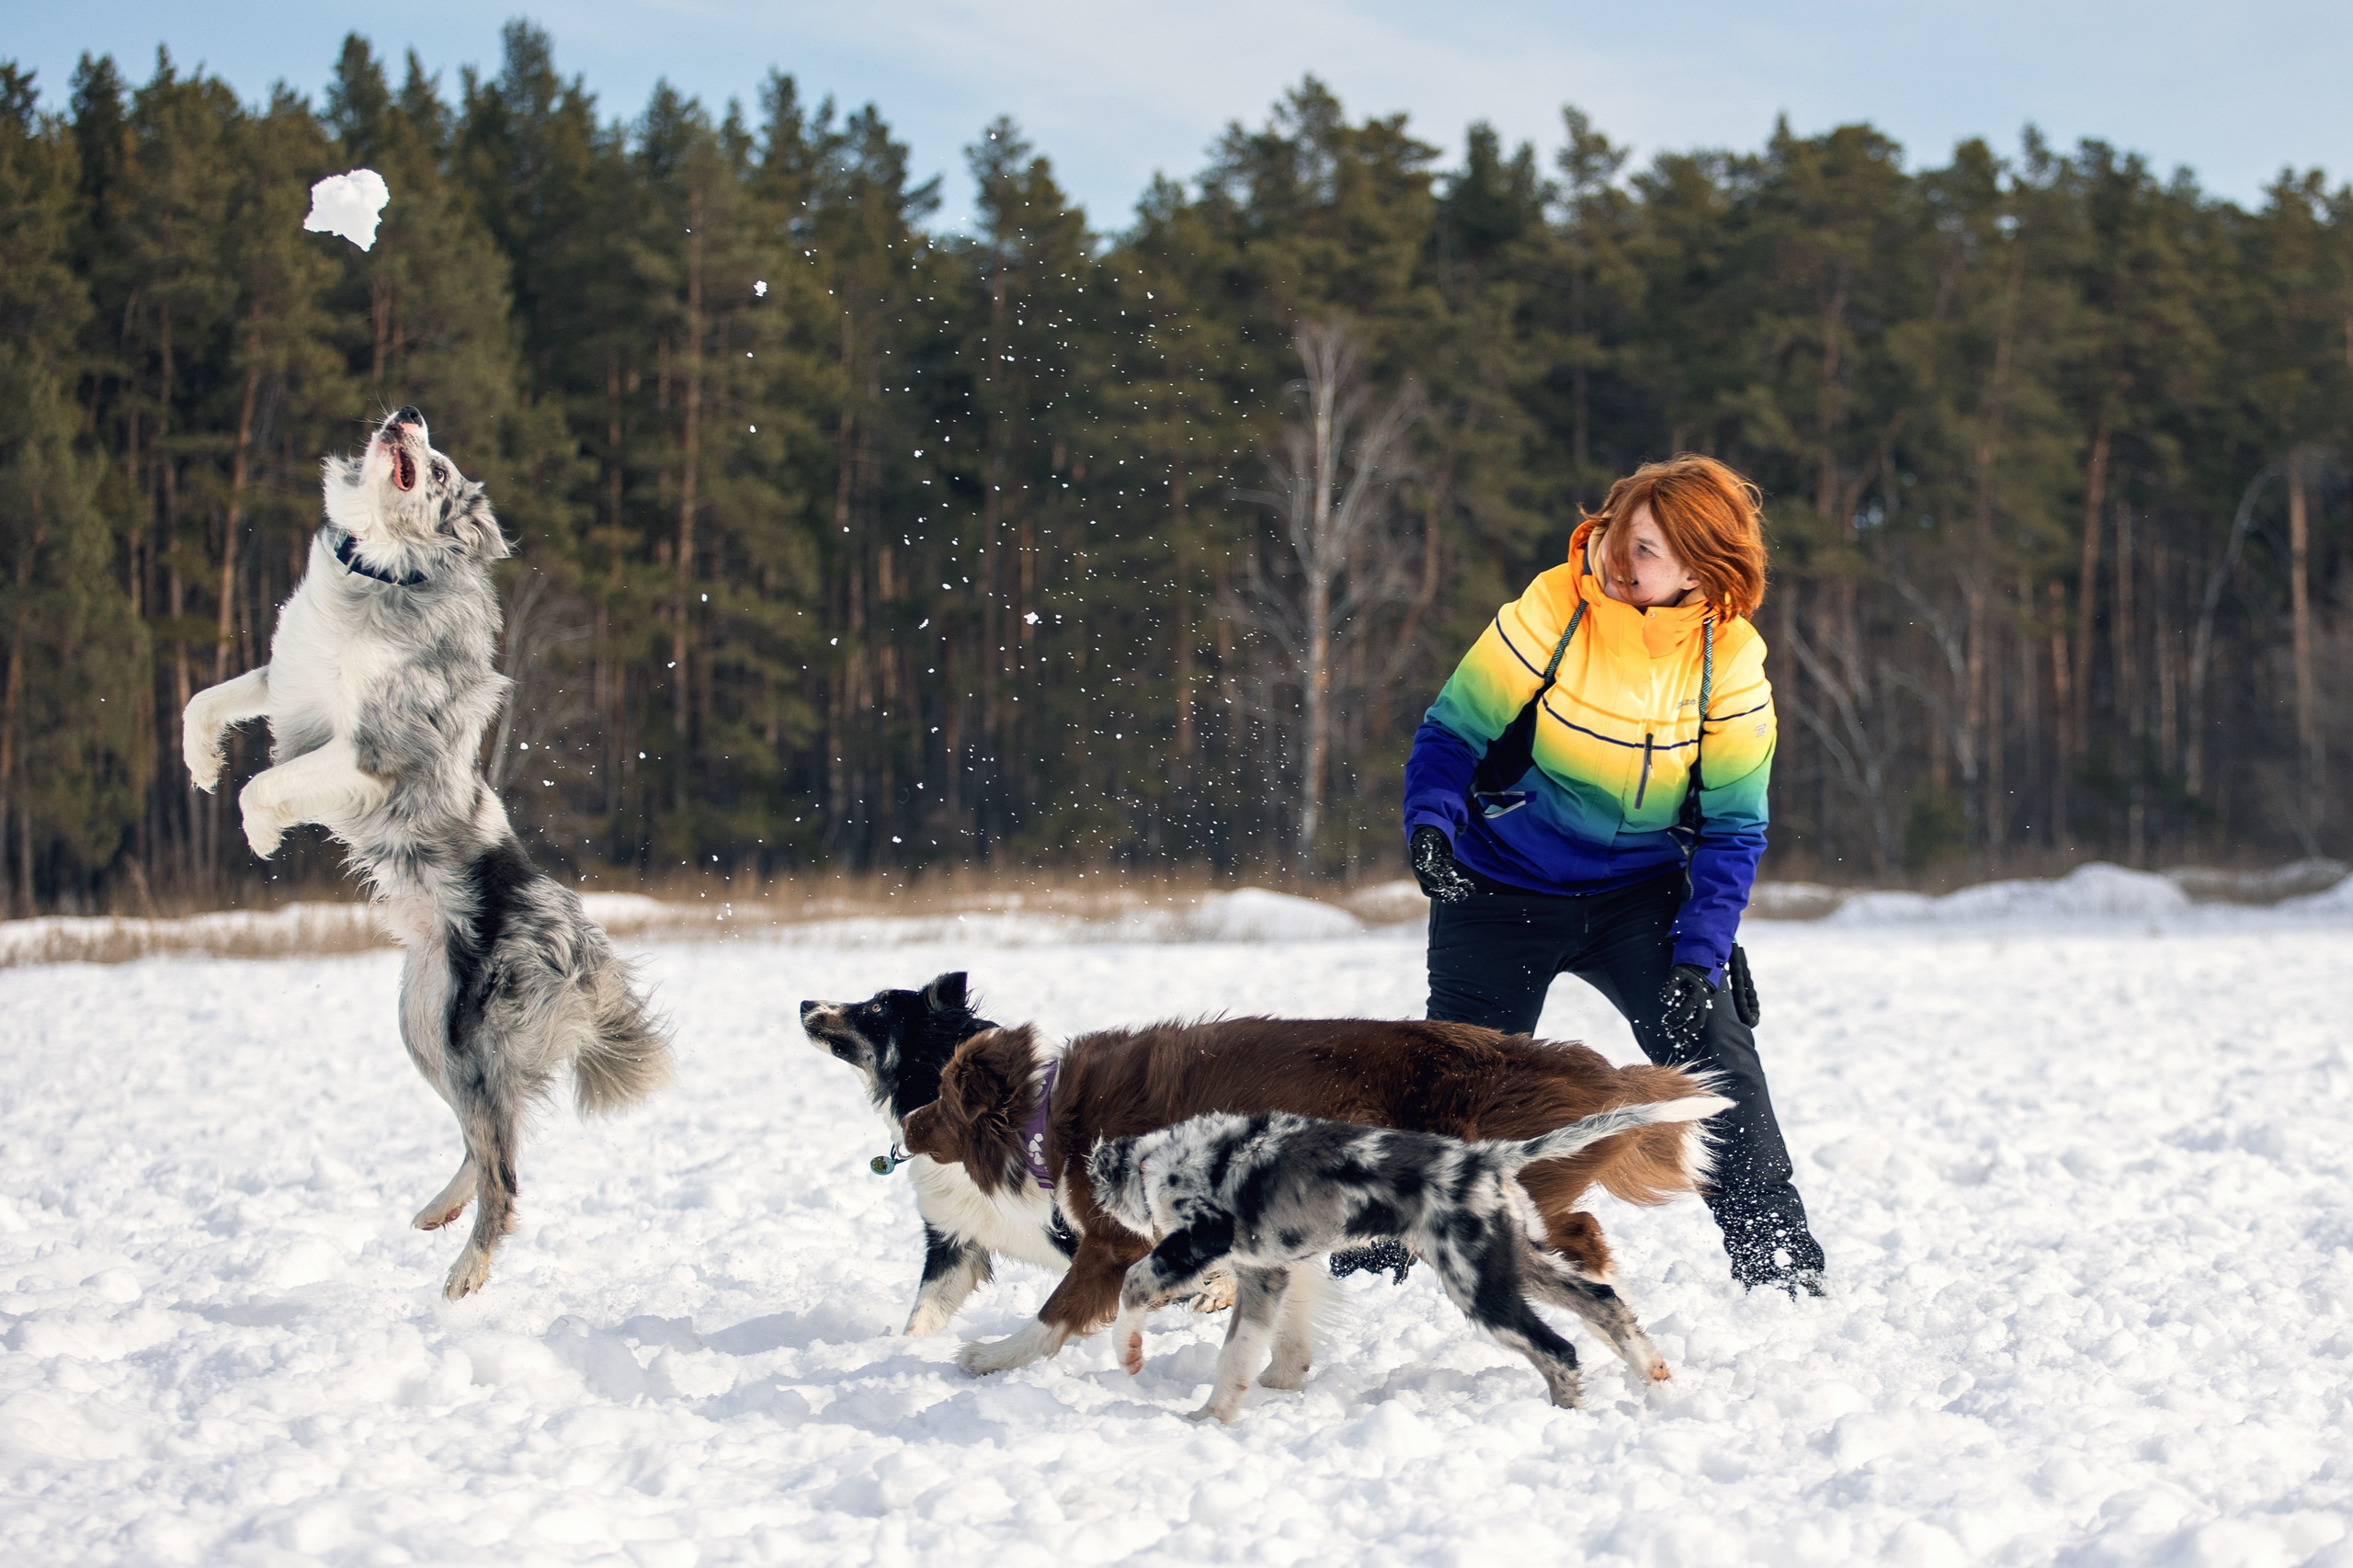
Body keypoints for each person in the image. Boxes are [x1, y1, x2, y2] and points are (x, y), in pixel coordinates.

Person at [1399, 454, 1824, 1295]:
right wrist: (1431, 829)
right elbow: (1453, 731)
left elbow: (1736, 825)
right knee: (1450, 1086)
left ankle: (1778, 1261)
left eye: (1653, 553)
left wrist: (1703, 953)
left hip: (1639, 896)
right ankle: (1371, 1259)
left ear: (1704, 568)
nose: (1623, 564)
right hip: (1504, 886)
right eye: (1626, 538)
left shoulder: (1728, 659)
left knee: (1716, 1056)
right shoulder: (1553, 608)